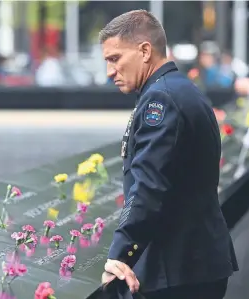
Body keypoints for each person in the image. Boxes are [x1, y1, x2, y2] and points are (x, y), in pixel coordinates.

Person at [98, 10, 238, 299]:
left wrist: (120, 255)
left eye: (115, 59)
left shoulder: (160, 99)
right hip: (193, 265)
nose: (110, 71)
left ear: (145, 51)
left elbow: (149, 185)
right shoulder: (179, 89)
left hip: (179, 273)